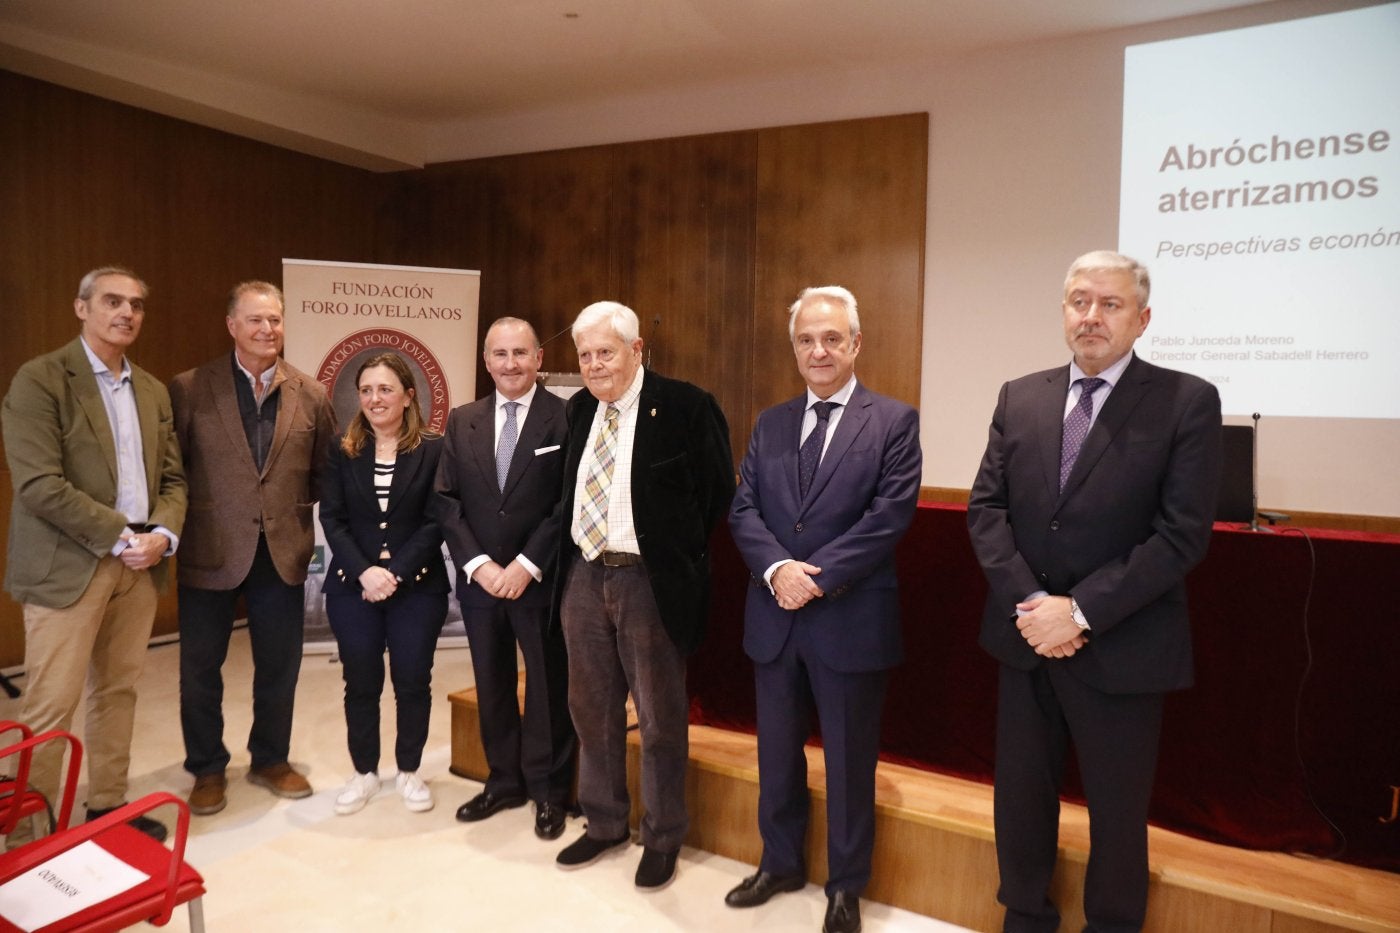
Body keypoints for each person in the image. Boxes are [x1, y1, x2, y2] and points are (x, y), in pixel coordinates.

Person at [967, 251, 1222, 933]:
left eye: (1110, 304)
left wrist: (1077, 611)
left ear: (1141, 318)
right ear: (1063, 312)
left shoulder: (1187, 401)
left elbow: (1181, 535)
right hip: (1026, 641)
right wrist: (1033, 607)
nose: (1091, 316)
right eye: (1079, 300)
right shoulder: (1020, 395)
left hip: (1122, 644)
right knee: (1020, 798)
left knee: (1116, 808)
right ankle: (1024, 913)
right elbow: (986, 510)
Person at [726, 286, 921, 933]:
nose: (819, 349)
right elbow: (744, 509)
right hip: (775, 618)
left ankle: (845, 884)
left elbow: (888, 517)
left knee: (848, 760)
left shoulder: (893, 420)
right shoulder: (772, 421)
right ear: (795, 347)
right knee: (777, 754)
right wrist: (778, 568)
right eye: (807, 339)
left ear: (855, 344)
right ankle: (779, 861)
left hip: (850, 620)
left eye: (832, 338)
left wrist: (815, 577)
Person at [551, 301, 733, 891]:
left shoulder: (686, 406)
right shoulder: (579, 409)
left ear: (636, 351)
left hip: (648, 582)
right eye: (585, 355)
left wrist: (669, 561)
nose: (596, 364)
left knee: (658, 716)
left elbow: (713, 498)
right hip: (583, 574)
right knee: (591, 709)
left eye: (607, 351)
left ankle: (662, 835)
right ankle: (603, 822)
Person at [2, 267, 186, 844]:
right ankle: (27, 835)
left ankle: (107, 807)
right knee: (50, 704)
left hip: (140, 563)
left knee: (117, 690)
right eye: (112, 301)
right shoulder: (41, 380)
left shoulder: (153, 389)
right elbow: (38, 484)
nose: (126, 312)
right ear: (82, 308)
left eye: (135, 303)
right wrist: (121, 535)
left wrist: (162, 534)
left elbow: (174, 479)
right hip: (71, 563)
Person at [170, 280, 336, 816]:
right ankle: (208, 768)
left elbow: (323, 473)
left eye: (276, 320)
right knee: (199, 668)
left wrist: (283, 512)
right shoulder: (191, 388)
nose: (269, 330)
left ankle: (270, 758)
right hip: (210, 548)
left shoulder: (310, 392)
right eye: (256, 320)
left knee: (278, 666)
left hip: (281, 551)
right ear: (232, 326)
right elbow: (174, 471)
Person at [435, 317, 574, 839]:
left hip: (538, 578)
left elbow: (567, 503)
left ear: (539, 358)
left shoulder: (566, 418)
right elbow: (446, 501)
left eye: (521, 353)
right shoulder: (461, 419)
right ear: (486, 360)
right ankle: (504, 780)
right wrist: (479, 565)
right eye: (500, 354)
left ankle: (548, 790)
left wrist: (525, 565)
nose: (511, 363)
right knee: (490, 682)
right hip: (480, 582)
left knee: (545, 685)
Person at [319, 352, 448, 815]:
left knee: (413, 681)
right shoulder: (342, 447)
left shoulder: (434, 448)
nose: (375, 399)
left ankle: (410, 770)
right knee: (361, 682)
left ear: (409, 395)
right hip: (354, 587)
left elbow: (437, 521)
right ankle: (365, 773)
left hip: (417, 587)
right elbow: (331, 517)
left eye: (386, 389)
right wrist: (365, 572)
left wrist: (394, 573)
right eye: (368, 390)